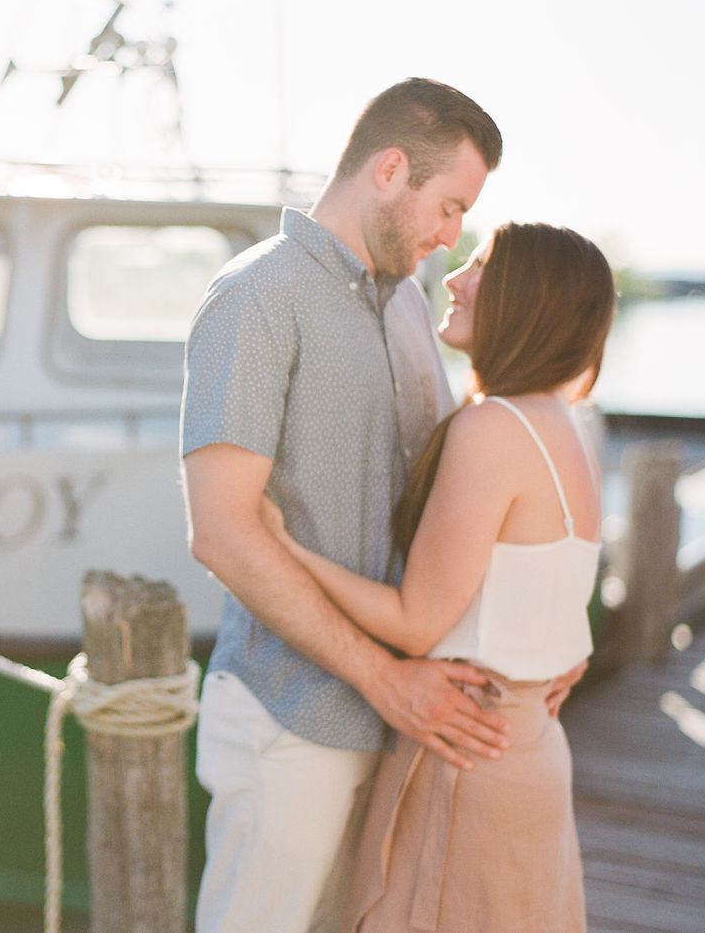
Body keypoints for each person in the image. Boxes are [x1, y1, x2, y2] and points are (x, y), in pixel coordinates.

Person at [181, 78, 584, 933]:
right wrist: (383, 678)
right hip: (295, 721)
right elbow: (220, 531)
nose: (451, 236)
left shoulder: (407, 307)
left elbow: (458, 521)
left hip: (407, 728)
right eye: (448, 208)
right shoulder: (258, 295)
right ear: (390, 169)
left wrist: (543, 637)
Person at [261, 221, 616, 931]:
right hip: (528, 748)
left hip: (468, 755)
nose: (454, 279)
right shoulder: (565, 425)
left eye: (481, 265)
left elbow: (417, 620)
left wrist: (287, 551)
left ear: (526, 299)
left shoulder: (492, 430)